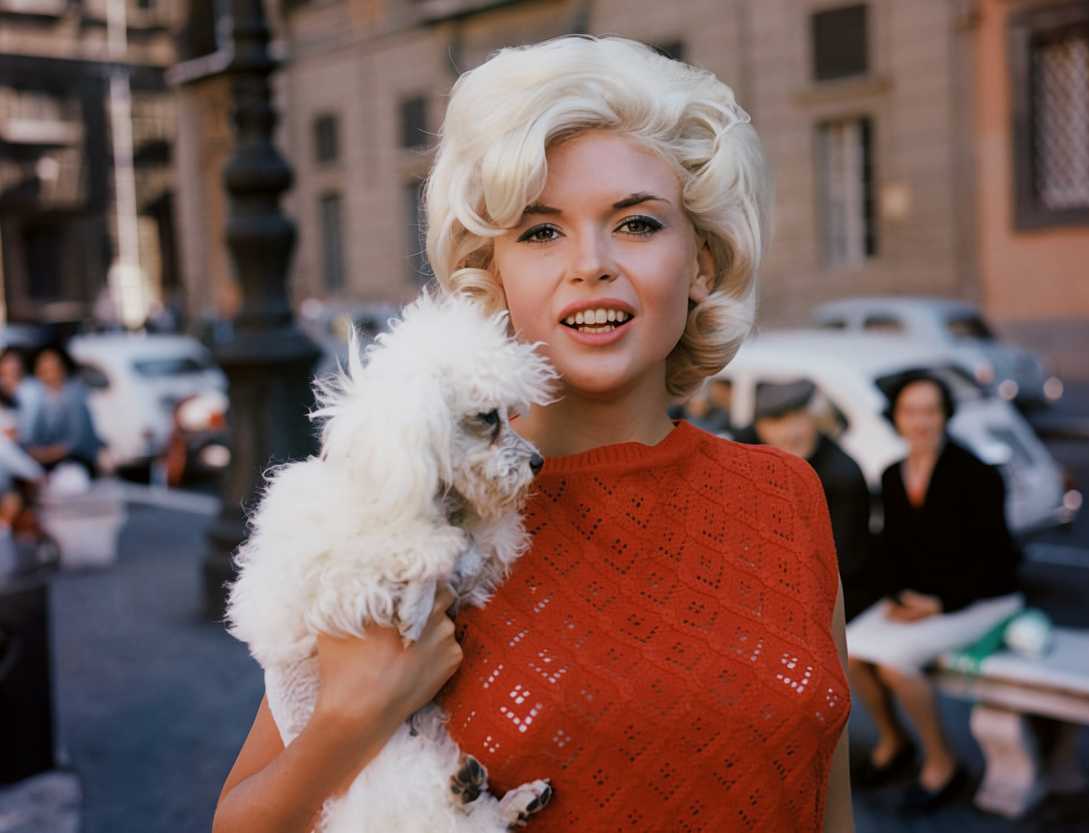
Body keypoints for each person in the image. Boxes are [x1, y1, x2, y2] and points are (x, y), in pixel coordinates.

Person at [213, 36, 853, 833]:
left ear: (700, 261)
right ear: (495, 273)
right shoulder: (416, 518)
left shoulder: (787, 496)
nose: (591, 264)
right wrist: (353, 714)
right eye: (541, 233)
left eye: (637, 223)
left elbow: (829, 806)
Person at [845, 370, 1022, 814]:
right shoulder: (892, 475)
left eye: (931, 411)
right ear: (896, 417)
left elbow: (999, 559)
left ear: (945, 416)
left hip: (983, 599)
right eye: (911, 411)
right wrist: (894, 598)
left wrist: (940, 604)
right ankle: (894, 742)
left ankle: (942, 763)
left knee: (895, 664)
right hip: (921, 600)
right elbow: (889, 551)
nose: (921, 421)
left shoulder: (977, 475)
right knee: (850, 651)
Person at [737, 379, 876, 621]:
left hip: (826, 602)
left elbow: (840, 563)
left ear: (813, 419)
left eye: (798, 418)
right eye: (777, 422)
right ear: (760, 428)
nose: (791, 432)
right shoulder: (747, 454)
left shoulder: (842, 475)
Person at [22, 345, 103, 481]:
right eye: (44, 369)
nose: (49, 373)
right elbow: (29, 436)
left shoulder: (75, 393)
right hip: (43, 460)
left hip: (76, 459)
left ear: (63, 368)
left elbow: (76, 440)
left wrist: (45, 455)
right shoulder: (36, 396)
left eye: (53, 367)